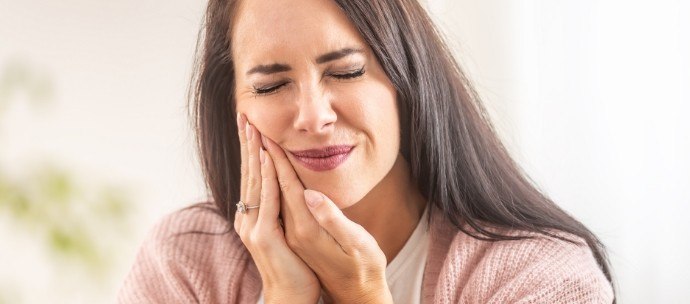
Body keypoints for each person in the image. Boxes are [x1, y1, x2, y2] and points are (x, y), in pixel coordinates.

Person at [118, 0, 615, 303]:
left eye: (347, 72)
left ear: (408, 80)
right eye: (271, 86)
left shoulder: (539, 278)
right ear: (232, 106)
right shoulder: (184, 261)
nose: (313, 116)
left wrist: (363, 297)